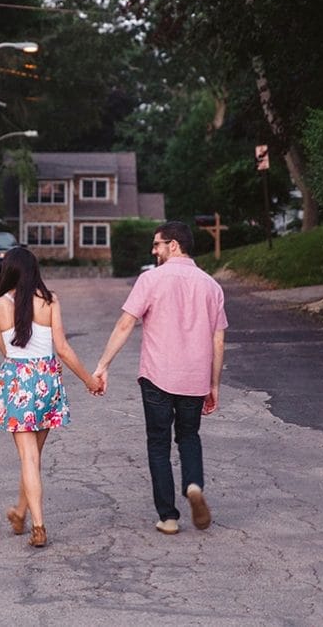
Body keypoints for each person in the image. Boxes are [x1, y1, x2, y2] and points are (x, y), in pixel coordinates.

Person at [91, 220, 227, 535]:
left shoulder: (151, 279)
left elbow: (126, 324)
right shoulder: (211, 286)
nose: (153, 251)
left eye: (157, 244)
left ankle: (168, 517)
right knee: (189, 437)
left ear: (173, 244)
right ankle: (193, 485)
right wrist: (214, 384)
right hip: (195, 378)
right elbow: (218, 340)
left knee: (158, 443)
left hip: (157, 376)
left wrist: (103, 364)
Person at [0, 246, 100, 548]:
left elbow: (5, 351)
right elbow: (62, 348)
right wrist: (89, 380)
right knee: (33, 457)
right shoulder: (50, 301)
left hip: (18, 382)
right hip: (47, 381)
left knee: (28, 457)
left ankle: (38, 525)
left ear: (7, 271)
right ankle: (20, 512)